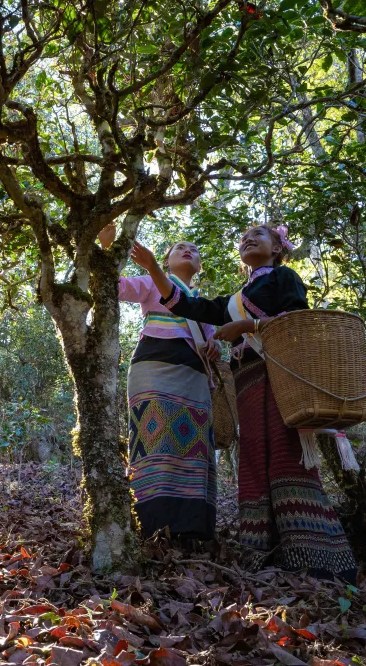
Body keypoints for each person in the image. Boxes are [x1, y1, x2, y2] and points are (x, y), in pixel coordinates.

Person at [129, 224, 358, 581]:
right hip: (247, 381)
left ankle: (313, 555)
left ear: (277, 248)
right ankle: (259, 549)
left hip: (280, 375)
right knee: (253, 454)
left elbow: (297, 323)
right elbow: (187, 305)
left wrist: (249, 326)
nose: (249, 239)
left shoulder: (284, 277)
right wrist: (154, 269)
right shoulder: (235, 299)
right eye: (244, 237)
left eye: (259, 235)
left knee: (284, 452)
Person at [99, 224, 220, 541]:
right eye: (180, 247)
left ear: (199, 266)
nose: (188, 250)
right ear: (166, 261)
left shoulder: (201, 302)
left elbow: (212, 340)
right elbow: (115, 287)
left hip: (194, 375)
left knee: (194, 443)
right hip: (152, 367)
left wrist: (215, 345)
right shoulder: (152, 282)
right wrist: (108, 248)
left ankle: (192, 525)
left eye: (194, 249)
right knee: (153, 437)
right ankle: (152, 520)